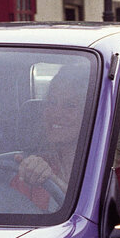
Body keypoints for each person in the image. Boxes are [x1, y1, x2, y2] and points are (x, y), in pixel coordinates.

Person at [11, 68, 85, 210]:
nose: (56, 113)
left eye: (70, 106)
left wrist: (53, 181)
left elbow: (110, 225)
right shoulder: (31, 169)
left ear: (91, 110)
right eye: (51, 103)